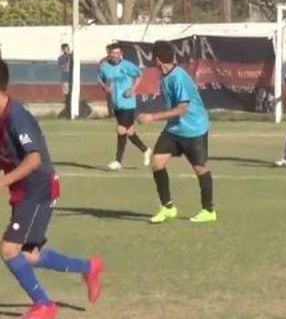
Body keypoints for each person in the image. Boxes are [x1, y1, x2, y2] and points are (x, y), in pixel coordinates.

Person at [0, 59, 104, 318]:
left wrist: (4, 180)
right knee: (30, 255)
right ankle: (89, 267)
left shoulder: (16, 116)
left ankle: (44, 305)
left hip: (38, 188)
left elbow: (34, 159)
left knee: (9, 250)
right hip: (25, 190)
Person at [138, 40, 216, 224]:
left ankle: (208, 210)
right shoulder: (163, 76)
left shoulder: (178, 77)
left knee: (200, 168)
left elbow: (182, 109)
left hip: (194, 128)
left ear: (158, 59)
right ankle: (168, 207)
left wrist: (152, 117)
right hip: (174, 129)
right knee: (157, 162)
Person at [97, 43, 150, 171]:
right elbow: (101, 80)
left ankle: (118, 161)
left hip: (128, 103)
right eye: (113, 53)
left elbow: (139, 74)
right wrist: (105, 87)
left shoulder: (126, 65)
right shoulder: (104, 67)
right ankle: (146, 150)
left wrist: (132, 89)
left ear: (121, 54)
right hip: (116, 104)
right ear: (109, 54)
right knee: (130, 132)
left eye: (117, 53)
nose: (115, 55)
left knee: (121, 129)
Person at [57, 45, 71, 119]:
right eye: (65, 49)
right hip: (65, 79)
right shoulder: (61, 58)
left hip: (72, 79)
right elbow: (61, 68)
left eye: (67, 48)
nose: (67, 50)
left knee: (71, 95)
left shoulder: (72, 58)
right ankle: (67, 111)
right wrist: (66, 64)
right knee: (67, 96)